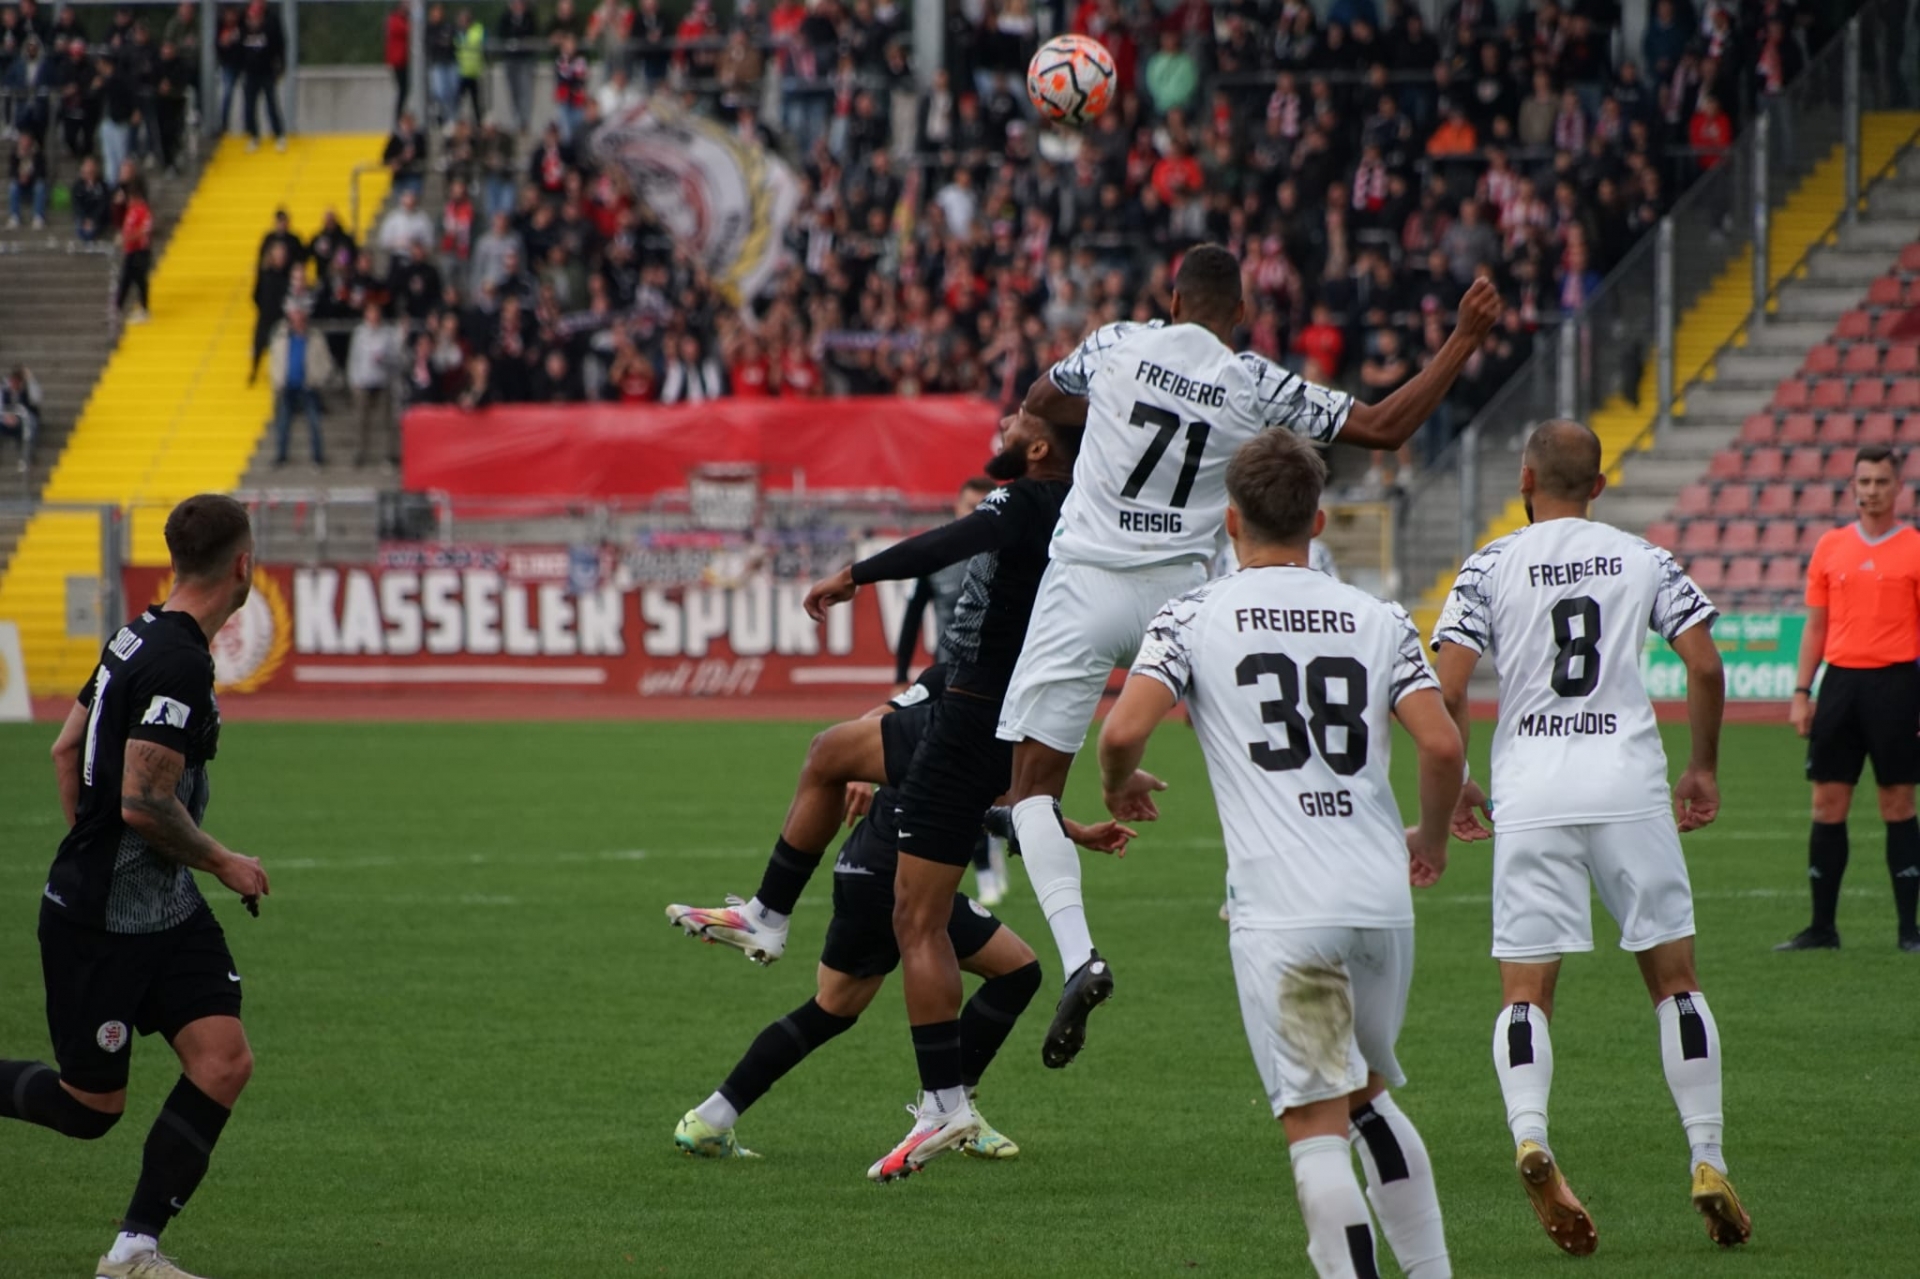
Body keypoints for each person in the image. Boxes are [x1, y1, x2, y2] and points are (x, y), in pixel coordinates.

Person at [1004, 242, 1501, 1068]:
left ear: (1171, 296)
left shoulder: (1115, 344)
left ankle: (1079, 951)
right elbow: (1382, 426)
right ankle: (1264, 892)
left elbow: (1037, 399)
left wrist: (1103, 436)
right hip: (1184, 594)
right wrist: (1462, 339)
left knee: (1029, 789)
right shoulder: (1254, 381)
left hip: (1086, 580)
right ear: (1239, 314)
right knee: (1279, 726)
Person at [1099, 428, 1462, 1279]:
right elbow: (1442, 748)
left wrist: (1119, 782)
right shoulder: (1377, 616)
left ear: (1230, 522)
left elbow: (1121, 731)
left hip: (1284, 907)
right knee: (1368, 1093)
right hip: (1379, 900)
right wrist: (1432, 837)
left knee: (1314, 1126)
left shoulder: (1192, 615)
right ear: (1321, 519)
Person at [1431, 419, 1749, 1255]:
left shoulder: (1489, 563)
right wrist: (1703, 768)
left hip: (1531, 788)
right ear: (1599, 486)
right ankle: (1708, 1155)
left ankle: (1532, 1134)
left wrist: (1459, 776)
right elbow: (1708, 667)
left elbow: (1448, 685)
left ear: (1526, 478)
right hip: (1628, 783)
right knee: (1675, 981)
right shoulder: (1642, 556)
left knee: (1525, 992)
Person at [670, 669, 1130, 1165]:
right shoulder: (1003, 697)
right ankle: (954, 1111)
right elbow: (997, 805)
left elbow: (878, 724)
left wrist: (1072, 832)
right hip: (903, 874)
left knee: (832, 1007)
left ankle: (711, 1118)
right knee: (1017, 971)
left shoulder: (949, 675)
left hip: (861, 865)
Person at [798, 410, 1083, 1180]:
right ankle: (945, 1098)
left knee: (916, 917)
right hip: (994, 712)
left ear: (1037, 446)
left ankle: (945, 1102)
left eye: (1019, 416)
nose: (1007, 421)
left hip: (971, 715)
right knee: (834, 755)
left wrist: (855, 574)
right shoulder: (1084, 503)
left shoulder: (1027, 500)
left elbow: (943, 543)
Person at [1, 493, 271, 1279]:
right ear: (244, 567)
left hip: (164, 910)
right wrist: (221, 859)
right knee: (90, 1110)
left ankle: (133, 1252)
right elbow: (142, 800)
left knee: (223, 1059)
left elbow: (64, 747)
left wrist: (95, 849)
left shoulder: (135, 632)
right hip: (105, 923)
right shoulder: (179, 660)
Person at [1781, 444, 1920, 953]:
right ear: (1853, 486)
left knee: (1898, 803)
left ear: (1898, 487)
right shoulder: (1830, 547)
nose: (1871, 491)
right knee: (1827, 803)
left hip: (1897, 684)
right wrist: (1801, 692)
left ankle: (1909, 930)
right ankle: (1822, 928)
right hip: (1840, 685)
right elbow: (1816, 626)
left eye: (1881, 482)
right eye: (1864, 482)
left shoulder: (1915, 548)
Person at [892, 478, 1011, 906]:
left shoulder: (1008, 552)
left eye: (984, 504)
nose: (976, 511)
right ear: (956, 508)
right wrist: (901, 673)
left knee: (992, 778)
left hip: (995, 684)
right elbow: (912, 613)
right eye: (969, 504)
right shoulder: (940, 553)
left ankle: (994, 835)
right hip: (948, 681)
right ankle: (982, 868)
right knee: (956, 777)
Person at [268, 308, 334, 466]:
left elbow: (326, 362)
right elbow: (274, 361)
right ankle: (281, 456)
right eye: (295, 319)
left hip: (308, 387)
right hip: (287, 387)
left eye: (300, 319)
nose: (298, 322)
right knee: (283, 424)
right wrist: (277, 380)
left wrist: (317, 379)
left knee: (314, 423)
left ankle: (318, 457)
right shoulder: (281, 338)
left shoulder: (315, 338)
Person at [346, 302, 401, 467]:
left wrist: (383, 359)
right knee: (361, 420)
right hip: (363, 382)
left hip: (382, 381)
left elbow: (395, 357)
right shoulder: (359, 333)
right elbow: (353, 358)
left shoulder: (387, 333)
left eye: (376, 313)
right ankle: (360, 452)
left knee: (388, 420)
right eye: (370, 313)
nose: (373, 317)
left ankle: (390, 454)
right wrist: (353, 381)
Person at [239, 0, 286, 152]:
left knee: (271, 103)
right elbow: (238, 47)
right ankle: (254, 136)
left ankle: (279, 135)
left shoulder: (271, 23)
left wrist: (280, 67)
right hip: (251, 72)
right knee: (249, 106)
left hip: (266, 71)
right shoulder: (243, 26)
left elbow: (280, 45)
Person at [116, 175, 154, 325]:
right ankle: (117, 307)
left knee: (139, 280)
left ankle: (144, 310)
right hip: (131, 251)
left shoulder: (144, 211)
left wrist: (127, 239)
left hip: (140, 251)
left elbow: (144, 232)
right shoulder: (131, 210)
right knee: (126, 279)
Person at [0, 364, 42, 473]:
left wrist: (30, 379)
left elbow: (36, 399)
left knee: (30, 426)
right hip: (9, 418)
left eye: (16, 382)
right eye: (12, 381)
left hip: (27, 418)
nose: (13, 384)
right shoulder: (6, 391)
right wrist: (6, 417)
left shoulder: (28, 389)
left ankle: (27, 457)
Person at [7, 129, 48, 229]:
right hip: (20, 185)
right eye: (23, 141)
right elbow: (11, 172)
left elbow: (42, 173)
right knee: (13, 186)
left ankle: (38, 217)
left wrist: (29, 177)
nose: (25, 143)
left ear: (31, 142)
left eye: (27, 141)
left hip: (33, 184)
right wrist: (20, 177)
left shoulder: (38, 155)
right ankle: (15, 216)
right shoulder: (14, 155)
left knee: (40, 186)